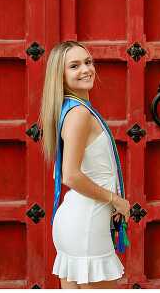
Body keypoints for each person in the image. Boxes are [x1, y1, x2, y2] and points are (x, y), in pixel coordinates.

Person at [39, 41, 131, 288]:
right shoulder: (79, 114)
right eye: (74, 65)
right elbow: (71, 175)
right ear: (61, 75)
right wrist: (116, 199)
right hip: (86, 225)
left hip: (76, 223)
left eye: (88, 62)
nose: (86, 69)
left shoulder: (73, 109)